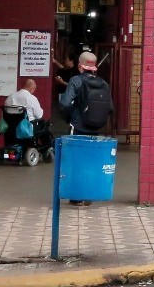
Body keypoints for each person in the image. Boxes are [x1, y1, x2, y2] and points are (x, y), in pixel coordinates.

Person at [60, 51, 114, 206]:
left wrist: (70, 118)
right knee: (92, 161)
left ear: (79, 66)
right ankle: (89, 192)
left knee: (75, 161)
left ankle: (77, 197)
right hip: (95, 129)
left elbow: (64, 103)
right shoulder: (104, 83)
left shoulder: (76, 80)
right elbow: (110, 107)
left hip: (78, 127)